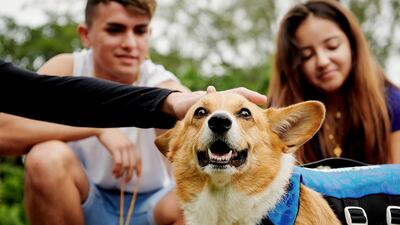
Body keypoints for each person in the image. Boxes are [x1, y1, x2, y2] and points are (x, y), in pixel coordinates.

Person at [267, 0, 400, 165]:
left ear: (352, 45)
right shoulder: (284, 113)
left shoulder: (393, 104)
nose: (322, 61)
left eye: (332, 46)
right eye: (306, 56)